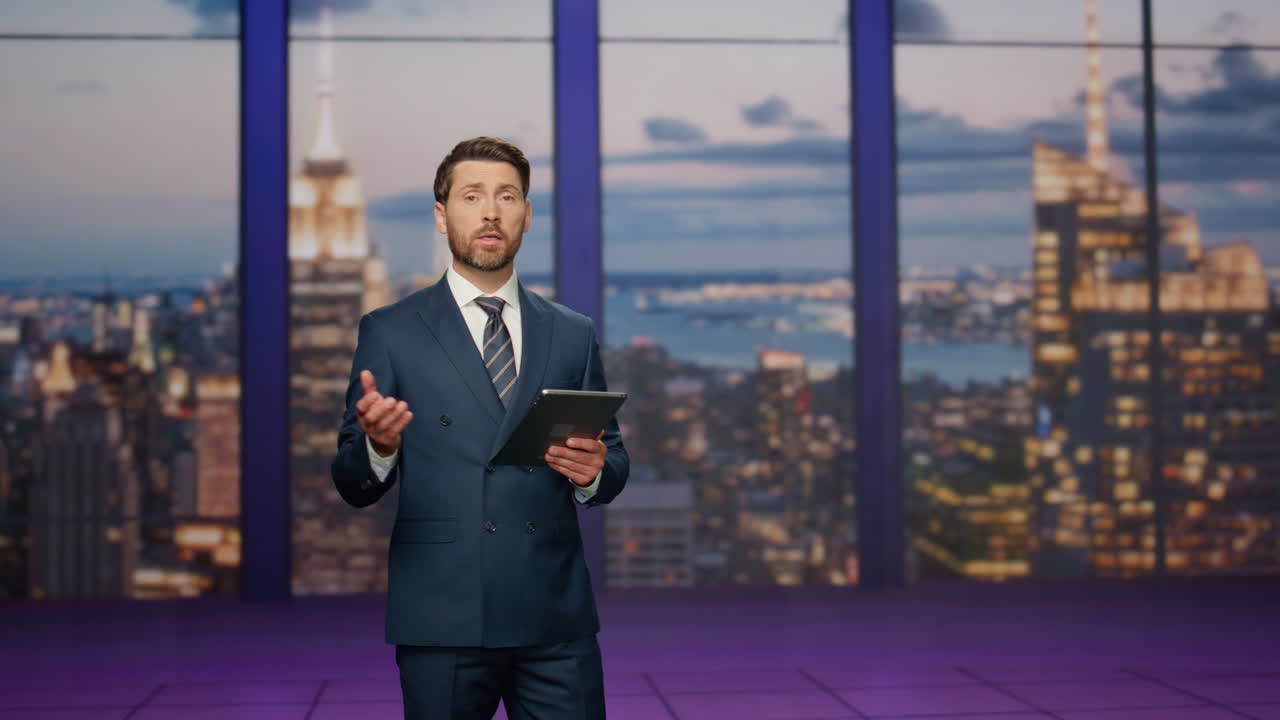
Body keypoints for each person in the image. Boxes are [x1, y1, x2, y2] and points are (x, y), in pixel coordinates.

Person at [330, 136, 629, 719]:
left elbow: (612, 460)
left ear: (527, 216)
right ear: (443, 217)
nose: (490, 212)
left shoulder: (570, 331)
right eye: (472, 196)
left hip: (554, 614)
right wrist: (379, 445)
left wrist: (595, 473)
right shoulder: (392, 331)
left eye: (507, 196)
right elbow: (350, 482)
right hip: (443, 613)